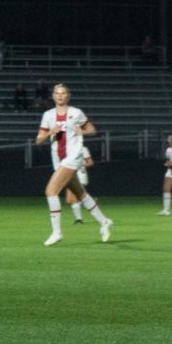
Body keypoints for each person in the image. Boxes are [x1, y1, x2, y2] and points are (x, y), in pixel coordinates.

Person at [35, 83, 113, 245]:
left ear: (68, 96)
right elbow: (38, 140)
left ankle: (57, 232)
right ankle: (104, 221)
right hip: (58, 159)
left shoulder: (76, 113)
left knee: (51, 191)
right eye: (57, 93)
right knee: (81, 194)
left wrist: (82, 131)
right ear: (53, 96)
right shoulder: (48, 115)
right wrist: (50, 132)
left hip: (74, 157)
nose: (60, 96)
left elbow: (92, 130)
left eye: (63, 93)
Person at [66, 145, 96, 224]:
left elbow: (90, 162)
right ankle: (90, 200)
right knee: (70, 200)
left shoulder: (83, 149)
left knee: (73, 199)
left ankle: (79, 220)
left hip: (80, 175)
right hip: (70, 175)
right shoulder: (66, 148)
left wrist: (81, 165)